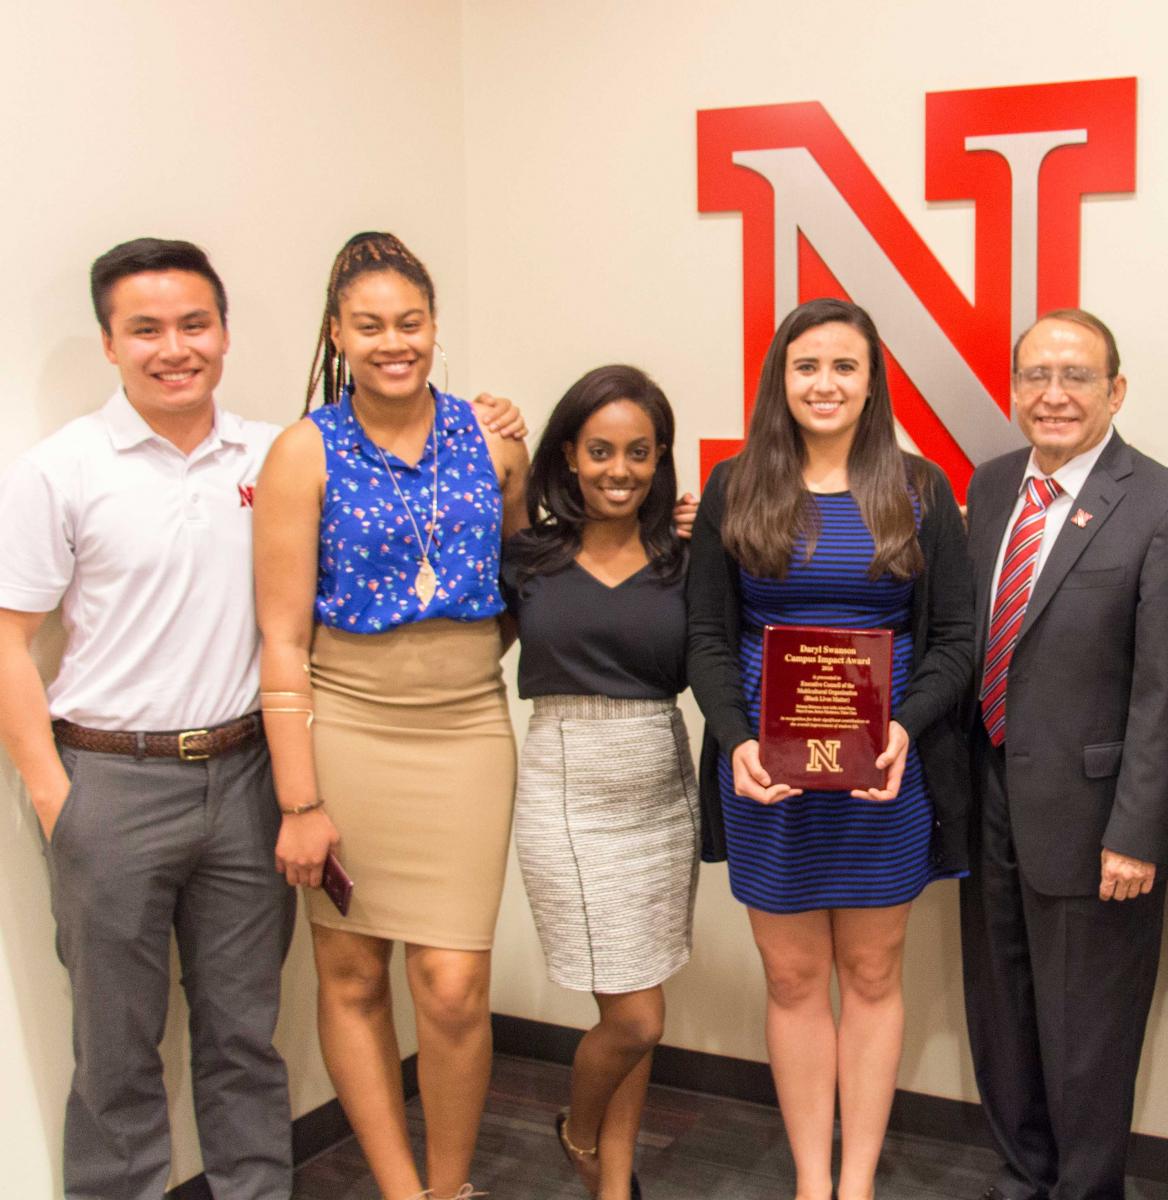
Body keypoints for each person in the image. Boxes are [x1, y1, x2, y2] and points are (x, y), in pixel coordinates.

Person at [0, 239, 295, 1199]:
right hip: (109, 786)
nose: (175, 348)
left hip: (250, 777)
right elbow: (10, 641)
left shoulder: (272, 455)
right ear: (109, 343)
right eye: (147, 330)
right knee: (116, 1055)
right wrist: (56, 798)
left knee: (244, 1039)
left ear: (222, 332)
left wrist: (495, 429)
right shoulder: (61, 470)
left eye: (194, 324)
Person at [253, 231, 528, 1200]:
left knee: (451, 986)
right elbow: (281, 641)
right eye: (368, 325)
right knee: (355, 975)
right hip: (349, 727)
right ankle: (402, 1192)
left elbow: (528, 572)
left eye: (408, 322)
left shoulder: (489, 440)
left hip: (465, 727)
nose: (391, 341)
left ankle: (450, 1186)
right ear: (338, 333)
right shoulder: (302, 451)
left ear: (435, 328)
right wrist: (299, 801)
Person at [686, 297, 973, 1200]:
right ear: (781, 376)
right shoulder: (735, 488)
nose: (824, 383)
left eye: (844, 366)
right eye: (806, 365)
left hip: (880, 775)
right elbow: (703, 635)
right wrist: (735, 739)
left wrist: (901, 729)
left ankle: (857, 1184)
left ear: (870, 380)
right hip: (765, 775)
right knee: (795, 973)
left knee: (873, 971)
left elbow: (957, 638)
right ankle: (813, 1181)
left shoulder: (920, 490)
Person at [961, 308, 1168, 1200]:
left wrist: (1138, 832)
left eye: (1076, 377)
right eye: (1035, 375)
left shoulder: (1164, 506)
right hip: (990, 795)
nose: (1053, 394)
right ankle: (1020, 1179)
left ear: (1115, 391)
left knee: (1087, 1041)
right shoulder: (991, 488)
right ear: (1012, 389)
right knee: (1001, 1020)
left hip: (1097, 815)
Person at [503, 364, 698, 1200]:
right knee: (634, 1017)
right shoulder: (529, 557)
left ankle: (614, 1182)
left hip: (661, 784)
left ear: (661, 461)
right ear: (569, 456)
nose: (620, 469)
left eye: (639, 452)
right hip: (567, 786)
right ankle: (578, 1134)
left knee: (639, 997)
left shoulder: (686, 558)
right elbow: (471, 652)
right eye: (600, 451)